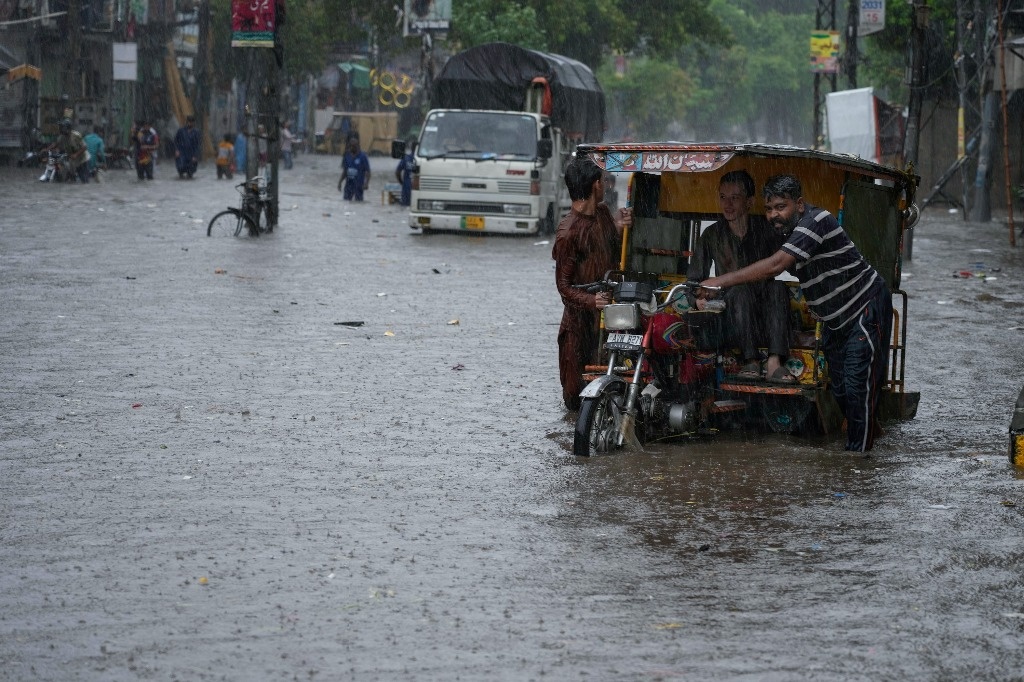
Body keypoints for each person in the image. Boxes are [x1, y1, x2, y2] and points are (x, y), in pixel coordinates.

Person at [699, 174, 892, 452]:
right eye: (769, 209)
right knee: (839, 390)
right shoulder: (782, 234)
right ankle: (870, 432)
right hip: (833, 319)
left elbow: (776, 266)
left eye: (781, 207)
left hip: (865, 306)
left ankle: (856, 463)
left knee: (855, 387)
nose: (774, 215)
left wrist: (719, 281)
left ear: (799, 204)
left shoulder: (816, 221)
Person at [687, 170, 792, 383]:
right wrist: (698, 299)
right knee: (741, 290)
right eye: (723, 197)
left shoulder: (767, 229)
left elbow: (786, 262)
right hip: (732, 318)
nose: (728, 204)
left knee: (778, 288)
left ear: (750, 202)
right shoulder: (711, 235)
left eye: (735, 198)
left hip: (767, 317)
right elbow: (693, 282)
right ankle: (750, 360)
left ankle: (774, 363)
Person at [552, 154, 633, 411]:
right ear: (594, 185)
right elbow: (563, 288)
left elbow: (611, 246)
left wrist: (621, 225)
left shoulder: (602, 213)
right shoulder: (568, 232)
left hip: (608, 320)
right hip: (578, 325)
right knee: (576, 397)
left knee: (609, 387)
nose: (606, 185)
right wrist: (591, 301)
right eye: (603, 180)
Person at [47, 118, 89, 183]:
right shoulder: (62, 137)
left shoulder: (76, 135)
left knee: (84, 181)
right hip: (72, 161)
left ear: (68, 128)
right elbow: (55, 144)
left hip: (82, 160)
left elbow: (84, 147)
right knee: (68, 177)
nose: (61, 129)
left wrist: (76, 154)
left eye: (63, 127)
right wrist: (47, 149)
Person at [174, 115, 201, 179]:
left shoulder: (196, 132)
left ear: (194, 123)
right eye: (189, 122)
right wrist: (176, 150)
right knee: (181, 167)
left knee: (191, 170)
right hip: (181, 152)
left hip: (192, 153)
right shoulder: (181, 131)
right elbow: (176, 141)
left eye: (192, 122)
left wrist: (195, 155)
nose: (190, 123)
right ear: (187, 122)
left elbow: (198, 145)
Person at [395, 138, 416, 206]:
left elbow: (397, 172)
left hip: (406, 189)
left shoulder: (406, 158)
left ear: (411, 148)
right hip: (417, 190)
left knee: (405, 207)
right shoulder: (422, 159)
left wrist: (402, 182)